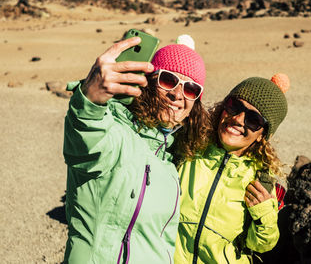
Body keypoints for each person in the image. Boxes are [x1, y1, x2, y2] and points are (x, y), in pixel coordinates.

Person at [63, 35, 211, 263]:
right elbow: (87, 136)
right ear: (149, 82)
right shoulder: (115, 132)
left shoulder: (173, 162)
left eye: (191, 89)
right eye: (168, 80)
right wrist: (90, 101)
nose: (178, 94)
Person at [174, 76, 289, 263]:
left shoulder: (260, 182)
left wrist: (265, 216)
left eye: (253, 119)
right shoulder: (188, 150)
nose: (237, 119)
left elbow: (259, 245)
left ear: (262, 135)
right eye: (234, 106)